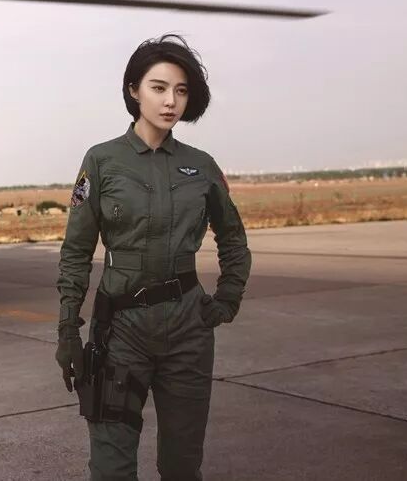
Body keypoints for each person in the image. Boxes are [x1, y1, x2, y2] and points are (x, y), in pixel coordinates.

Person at [55, 34, 252, 480]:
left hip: (188, 331)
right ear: (134, 90)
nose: (170, 102)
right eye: (159, 88)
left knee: (182, 466)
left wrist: (227, 299)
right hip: (120, 332)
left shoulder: (201, 165)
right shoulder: (102, 161)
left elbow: (233, 239)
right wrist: (67, 329)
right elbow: (76, 251)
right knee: (112, 468)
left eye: (180, 91)